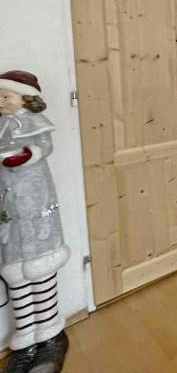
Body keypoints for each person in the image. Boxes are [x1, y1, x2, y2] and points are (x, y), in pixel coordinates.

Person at [0, 71, 69, 373]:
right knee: (17, 277)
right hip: (10, 215)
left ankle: (50, 335)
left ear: (25, 97)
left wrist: (28, 155)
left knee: (43, 272)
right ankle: (25, 340)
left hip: (38, 206)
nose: (1, 102)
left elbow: (44, 145)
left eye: (6, 95)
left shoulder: (34, 124)